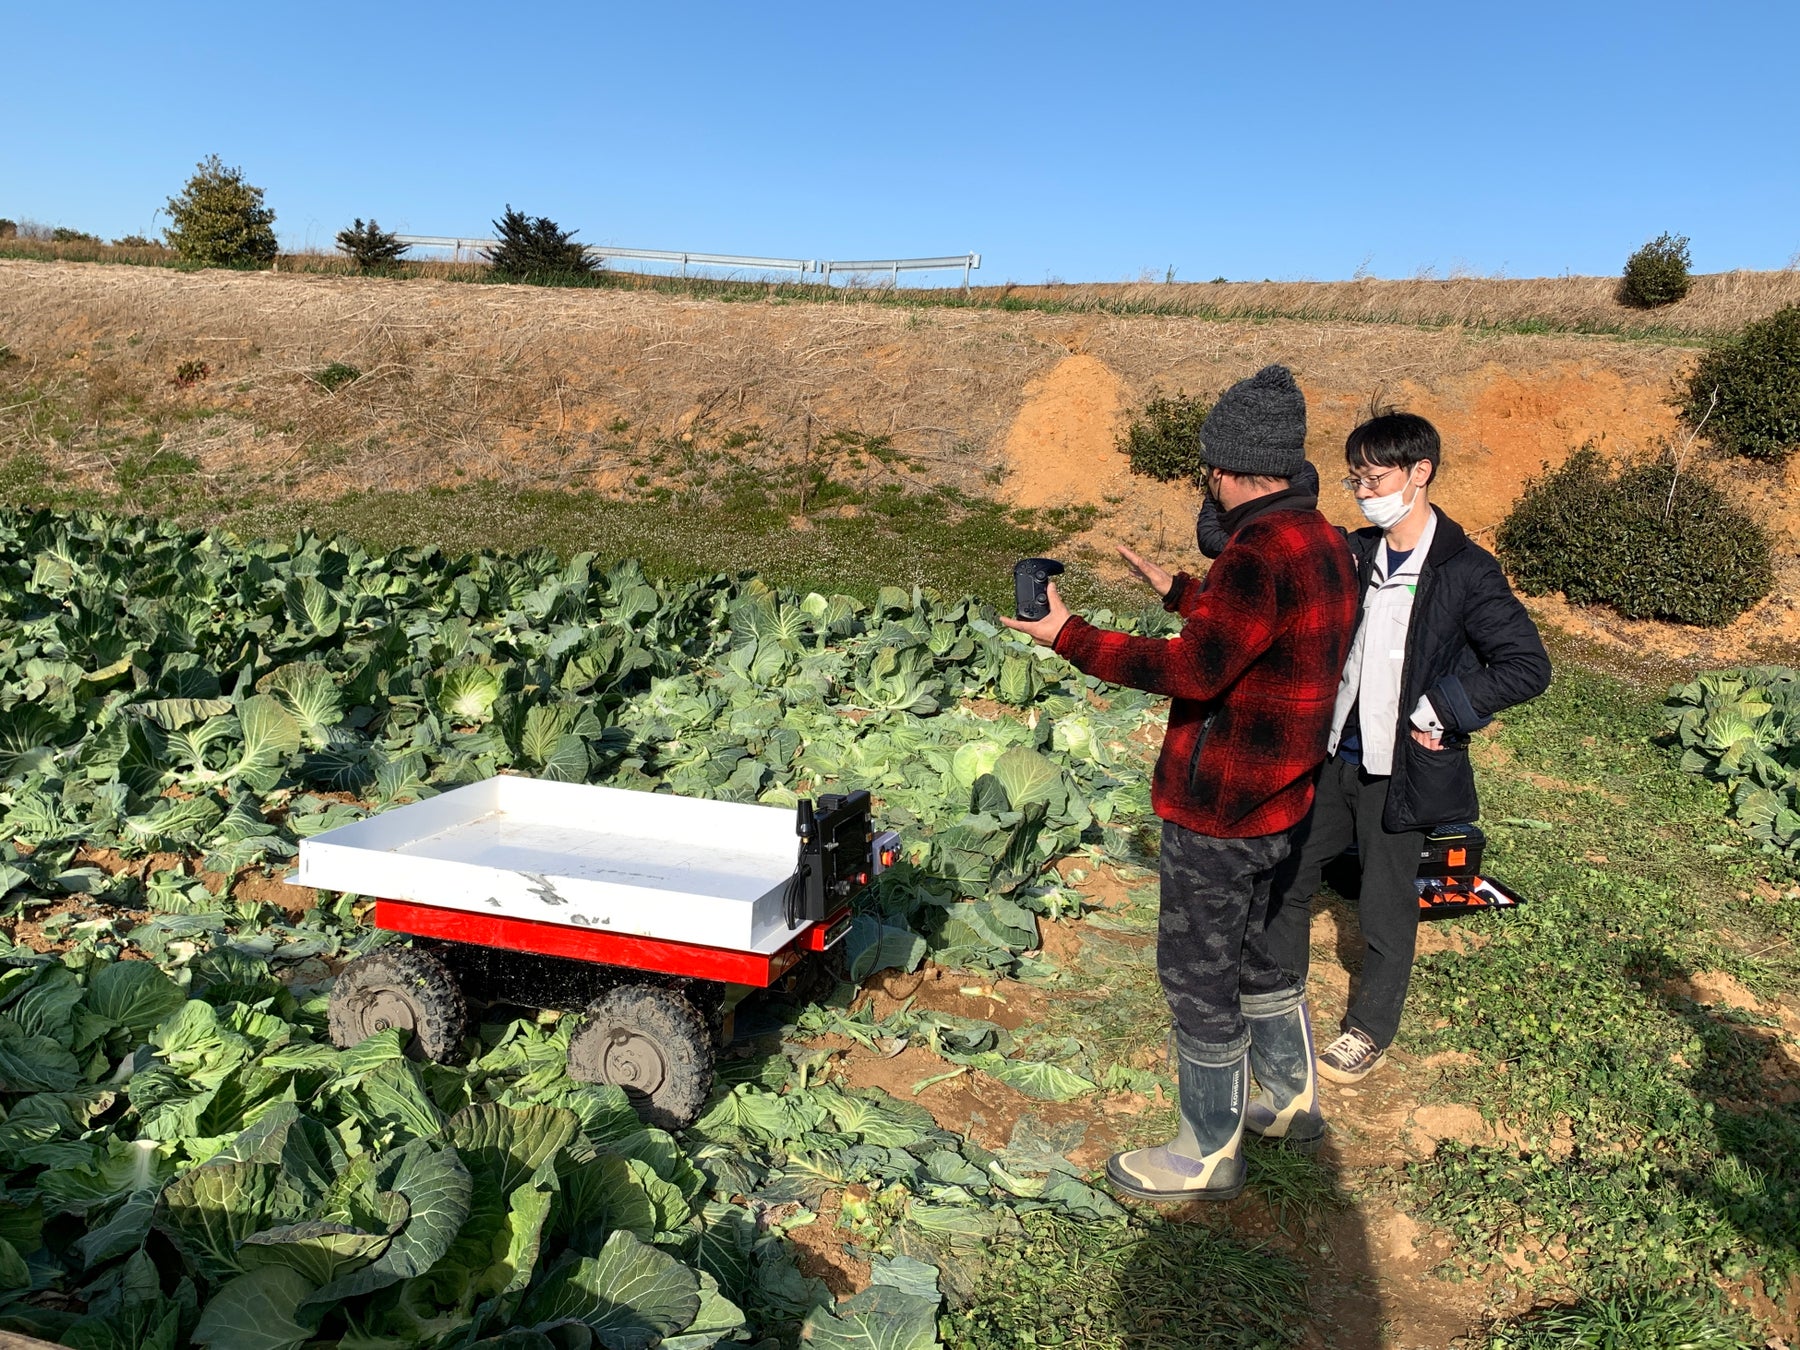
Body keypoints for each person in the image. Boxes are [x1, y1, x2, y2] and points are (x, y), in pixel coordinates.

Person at [1003, 364, 1358, 1201]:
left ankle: (1205, 1152)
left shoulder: (1256, 552)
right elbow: (1273, 625)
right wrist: (1181, 590)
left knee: (1198, 976)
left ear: (1226, 469)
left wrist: (1068, 634)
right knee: (1267, 953)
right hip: (1287, 800)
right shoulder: (1322, 541)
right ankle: (1292, 1100)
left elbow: (1196, 672)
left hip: (1220, 809)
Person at [1265, 412, 1551, 1084]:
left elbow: (1526, 665)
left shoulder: (1465, 571)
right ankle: (1278, 1005)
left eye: (1374, 477)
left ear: (1419, 473)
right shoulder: (1355, 553)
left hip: (1402, 770)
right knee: (1290, 875)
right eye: (1354, 478)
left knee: (1385, 902)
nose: (1362, 490)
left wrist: (1447, 706)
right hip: (1333, 751)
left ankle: (1368, 1030)